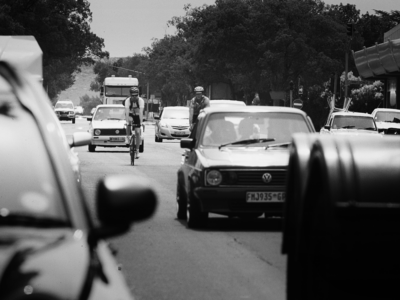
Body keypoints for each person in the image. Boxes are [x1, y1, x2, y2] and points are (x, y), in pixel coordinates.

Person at [125, 87, 144, 159]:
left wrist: (141, 122)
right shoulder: (128, 100)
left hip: (137, 116)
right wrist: (127, 122)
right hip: (130, 115)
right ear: (130, 95)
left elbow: (141, 112)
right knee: (129, 121)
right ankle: (127, 137)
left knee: (138, 132)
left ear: (138, 95)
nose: (134, 97)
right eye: (133, 95)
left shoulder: (140, 100)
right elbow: (126, 112)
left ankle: (137, 151)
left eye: (136, 95)